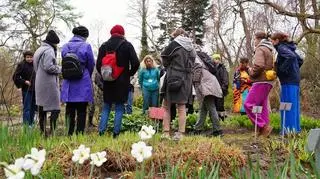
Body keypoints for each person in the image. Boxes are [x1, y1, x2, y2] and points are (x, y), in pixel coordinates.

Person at [96, 25, 140, 138]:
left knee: (106, 106)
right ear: (122, 33)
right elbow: (136, 63)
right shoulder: (127, 45)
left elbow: (98, 65)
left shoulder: (104, 46)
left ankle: (101, 132)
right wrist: (129, 73)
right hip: (122, 81)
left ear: (111, 33)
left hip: (108, 81)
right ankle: (115, 134)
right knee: (120, 107)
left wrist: (105, 75)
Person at [160, 28, 195, 140]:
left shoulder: (174, 44)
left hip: (173, 77)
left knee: (166, 106)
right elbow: (193, 62)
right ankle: (181, 134)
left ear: (176, 35)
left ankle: (166, 133)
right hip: (187, 79)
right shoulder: (191, 47)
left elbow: (164, 59)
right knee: (181, 106)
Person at [61, 26, 95, 135]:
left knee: (69, 109)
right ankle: (79, 133)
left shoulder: (65, 46)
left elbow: (64, 62)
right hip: (82, 81)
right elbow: (91, 64)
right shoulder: (86, 46)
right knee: (81, 110)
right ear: (85, 36)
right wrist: (86, 74)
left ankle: (69, 133)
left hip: (69, 82)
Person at [270, 32, 303, 134]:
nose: (271, 42)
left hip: (288, 81)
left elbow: (291, 57)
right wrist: (295, 70)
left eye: (272, 41)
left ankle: (287, 131)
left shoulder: (281, 48)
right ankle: (295, 129)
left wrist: (282, 71)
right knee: (294, 106)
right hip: (294, 80)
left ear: (277, 41)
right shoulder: (289, 47)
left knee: (287, 105)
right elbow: (300, 60)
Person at [244, 32, 275, 137]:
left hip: (261, 80)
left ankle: (263, 127)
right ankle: (264, 131)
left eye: (254, 39)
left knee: (248, 104)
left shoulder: (260, 48)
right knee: (262, 106)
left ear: (258, 39)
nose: (254, 42)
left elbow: (259, 65)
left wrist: (251, 73)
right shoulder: (269, 49)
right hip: (268, 81)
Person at [33, 30, 61, 135]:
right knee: (55, 108)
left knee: (42, 107)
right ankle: (52, 132)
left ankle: (42, 132)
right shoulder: (49, 50)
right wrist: (60, 69)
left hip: (39, 82)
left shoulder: (39, 50)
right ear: (53, 43)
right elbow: (49, 67)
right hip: (49, 83)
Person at [193, 55, 223, 136]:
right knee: (203, 109)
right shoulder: (199, 60)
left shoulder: (195, 61)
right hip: (209, 85)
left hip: (207, 87)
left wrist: (197, 91)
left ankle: (217, 130)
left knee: (211, 108)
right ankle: (197, 129)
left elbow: (196, 79)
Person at [12, 50, 36, 127]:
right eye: (27, 57)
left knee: (33, 108)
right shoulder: (21, 65)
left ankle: (31, 124)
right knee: (27, 108)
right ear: (25, 57)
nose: (29, 59)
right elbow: (15, 77)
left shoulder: (35, 65)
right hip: (26, 90)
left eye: (31, 57)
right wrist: (24, 81)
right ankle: (26, 125)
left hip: (35, 90)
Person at [212, 53, 229, 120]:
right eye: (215, 58)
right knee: (215, 104)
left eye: (218, 59)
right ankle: (216, 119)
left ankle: (222, 118)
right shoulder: (212, 68)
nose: (217, 60)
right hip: (213, 89)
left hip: (220, 89)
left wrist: (223, 88)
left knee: (220, 105)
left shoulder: (222, 68)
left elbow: (225, 79)